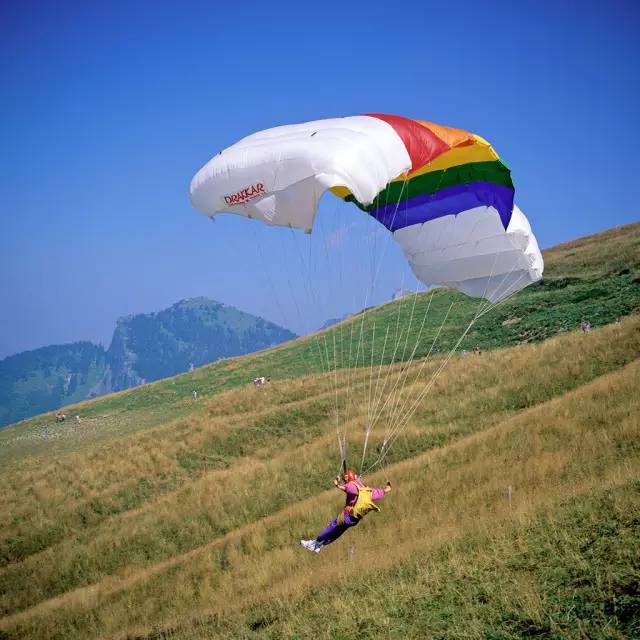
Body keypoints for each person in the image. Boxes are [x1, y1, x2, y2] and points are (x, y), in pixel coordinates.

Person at [300, 469, 391, 553]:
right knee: (338, 531)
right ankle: (321, 545)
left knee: (333, 526)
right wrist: (387, 489)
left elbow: (347, 488)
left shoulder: (351, 486)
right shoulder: (368, 491)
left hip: (347, 515)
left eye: (345, 480)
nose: (344, 481)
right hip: (355, 519)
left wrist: (337, 484)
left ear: (348, 479)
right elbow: (380, 492)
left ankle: (314, 542)